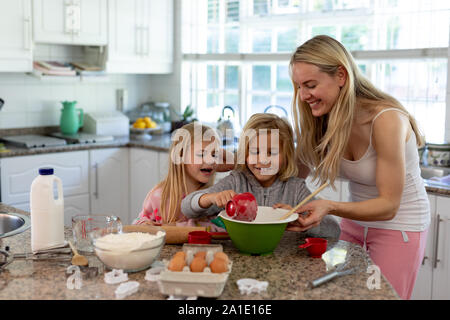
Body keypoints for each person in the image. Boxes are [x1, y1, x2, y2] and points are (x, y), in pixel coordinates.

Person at [288, 35, 430, 299]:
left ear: (341, 75)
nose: (303, 95)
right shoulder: (321, 119)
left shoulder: (385, 119)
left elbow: (389, 205)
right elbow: (293, 176)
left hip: (399, 227)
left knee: (378, 296)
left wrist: (328, 206)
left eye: (310, 85)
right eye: (298, 87)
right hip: (353, 224)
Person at [181, 113, 340, 239]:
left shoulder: (296, 189)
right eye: (255, 152)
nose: (263, 160)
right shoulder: (236, 182)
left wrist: (302, 218)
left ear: (286, 155)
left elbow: (334, 230)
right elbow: (187, 208)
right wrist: (210, 198)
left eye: (271, 153)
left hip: (283, 264)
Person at [133, 122, 233, 231]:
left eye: (214, 155)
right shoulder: (159, 195)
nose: (211, 160)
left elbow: (222, 229)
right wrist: (144, 225)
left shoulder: (215, 196)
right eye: (202, 154)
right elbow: (139, 222)